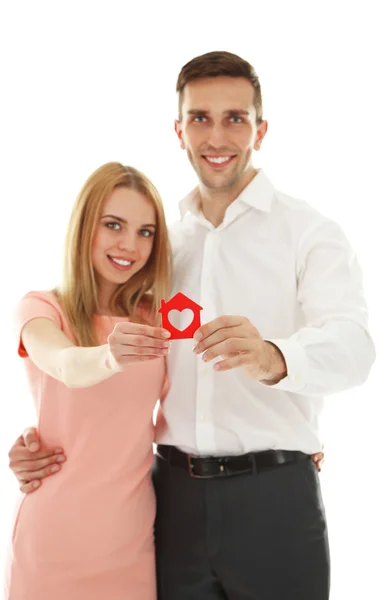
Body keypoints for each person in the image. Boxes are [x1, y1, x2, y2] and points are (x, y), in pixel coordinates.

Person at [7, 49, 371, 599]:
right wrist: (42, 443)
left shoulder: (309, 232)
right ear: (179, 131)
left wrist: (276, 358)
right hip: (169, 502)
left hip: (273, 497)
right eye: (200, 118)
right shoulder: (157, 248)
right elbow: (94, 368)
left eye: (235, 118)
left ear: (261, 130)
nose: (216, 136)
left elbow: (355, 347)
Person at [5, 162, 173, 600]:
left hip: (130, 543)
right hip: (53, 541)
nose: (129, 245)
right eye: (113, 225)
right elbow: (63, 364)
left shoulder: (159, 318)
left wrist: (291, 433)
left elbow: (202, 393)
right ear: (84, 228)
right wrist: (111, 356)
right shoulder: (41, 308)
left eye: (145, 232)